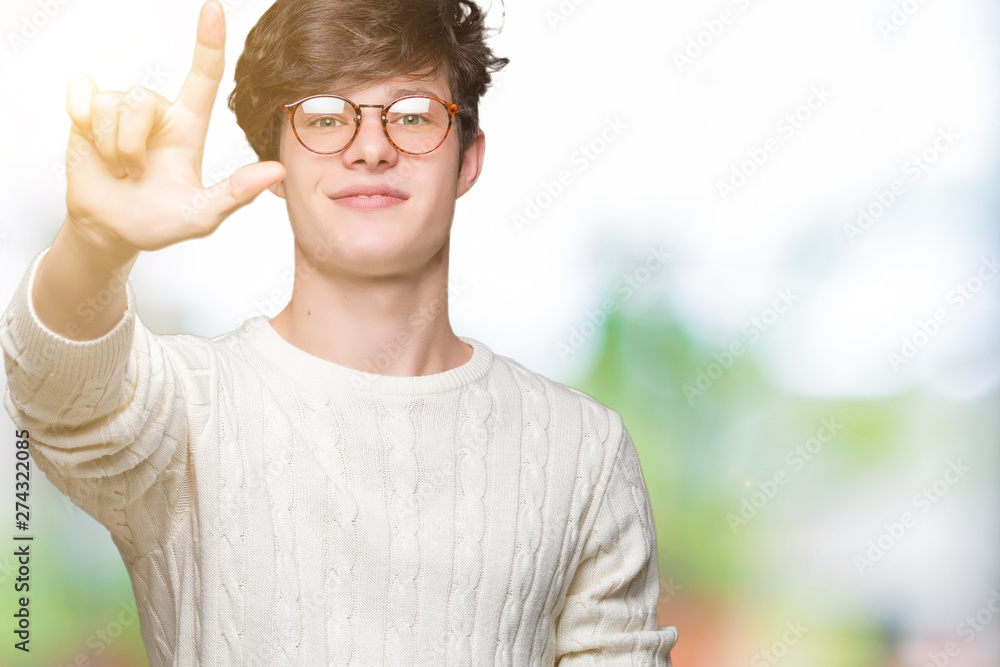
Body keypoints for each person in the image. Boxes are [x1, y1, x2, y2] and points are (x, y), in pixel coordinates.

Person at [0, 0, 679, 664]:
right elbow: (58, 395)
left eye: (413, 116)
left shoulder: (583, 452)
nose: (372, 147)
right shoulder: (189, 410)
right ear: (276, 161)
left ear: (468, 156)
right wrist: (94, 243)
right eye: (325, 118)